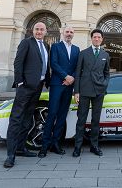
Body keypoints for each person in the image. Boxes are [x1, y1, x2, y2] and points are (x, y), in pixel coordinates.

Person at [4, 22, 51, 168]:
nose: (39, 31)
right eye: (37, 29)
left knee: (27, 119)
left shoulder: (46, 46)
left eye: (41, 29)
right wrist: (19, 83)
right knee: (16, 119)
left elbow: (45, 65)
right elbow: (18, 63)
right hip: (25, 87)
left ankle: (20, 148)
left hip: (38, 87)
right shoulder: (26, 43)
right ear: (33, 30)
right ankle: (10, 155)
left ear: (45, 31)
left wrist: (46, 82)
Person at [38, 26, 80, 158]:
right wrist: (65, 76)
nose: (69, 34)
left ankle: (56, 144)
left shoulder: (76, 49)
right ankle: (44, 146)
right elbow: (53, 64)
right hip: (57, 84)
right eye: (67, 31)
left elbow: (77, 67)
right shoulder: (55, 46)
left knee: (62, 116)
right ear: (62, 33)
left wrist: (71, 78)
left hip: (69, 86)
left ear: (73, 34)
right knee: (52, 114)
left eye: (71, 32)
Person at [72, 29, 110, 157]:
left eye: (99, 37)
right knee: (81, 120)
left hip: (99, 91)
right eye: (95, 37)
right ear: (91, 38)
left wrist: (104, 85)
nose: (97, 39)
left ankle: (94, 146)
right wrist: (76, 91)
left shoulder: (105, 55)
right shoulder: (83, 53)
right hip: (84, 90)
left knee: (95, 120)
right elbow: (77, 73)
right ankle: (77, 147)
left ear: (102, 39)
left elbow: (107, 73)